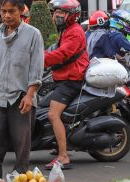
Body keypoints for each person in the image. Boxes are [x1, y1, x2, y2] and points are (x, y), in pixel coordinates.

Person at [0, 0, 44, 179]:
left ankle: (20, 179)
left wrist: (30, 95)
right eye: (4, 11)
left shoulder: (33, 34)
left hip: (22, 97)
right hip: (0, 95)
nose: (7, 15)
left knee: (21, 143)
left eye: (12, 11)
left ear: (21, 11)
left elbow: (36, 68)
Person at [44, 0, 89, 170]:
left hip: (71, 80)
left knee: (53, 115)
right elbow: (56, 50)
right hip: (63, 76)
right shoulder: (67, 30)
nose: (56, 15)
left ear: (73, 14)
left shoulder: (74, 32)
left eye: (61, 12)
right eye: (55, 12)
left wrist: (40, 59)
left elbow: (62, 54)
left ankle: (63, 156)